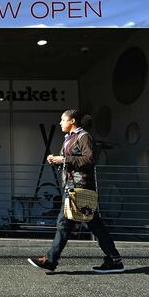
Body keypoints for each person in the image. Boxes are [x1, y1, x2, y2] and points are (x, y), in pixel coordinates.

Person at [28, 109, 124, 274]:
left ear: (72, 121)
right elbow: (70, 162)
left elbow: (89, 159)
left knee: (65, 224)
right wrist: (56, 161)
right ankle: (114, 259)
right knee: (91, 225)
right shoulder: (69, 138)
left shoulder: (83, 136)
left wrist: (64, 159)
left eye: (62, 120)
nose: (60, 123)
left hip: (80, 188)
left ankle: (51, 260)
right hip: (73, 187)